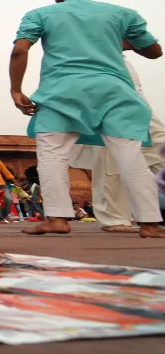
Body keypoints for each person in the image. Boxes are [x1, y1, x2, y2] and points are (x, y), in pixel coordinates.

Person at [9, 0, 164, 238]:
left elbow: (20, 49)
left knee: (53, 155)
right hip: (115, 91)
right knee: (130, 155)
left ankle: (57, 218)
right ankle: (150, 224)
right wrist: (113, 40)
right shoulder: (122, 14)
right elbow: (154, 52)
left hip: (62, 91)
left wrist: (16, 90)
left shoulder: (40, 14)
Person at [70, 54, 165, 233]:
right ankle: (113, 217)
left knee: (159, 143)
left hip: (135, 105)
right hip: (101, 95)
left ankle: (120, 216)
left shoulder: (122, 56)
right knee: (109, 160)